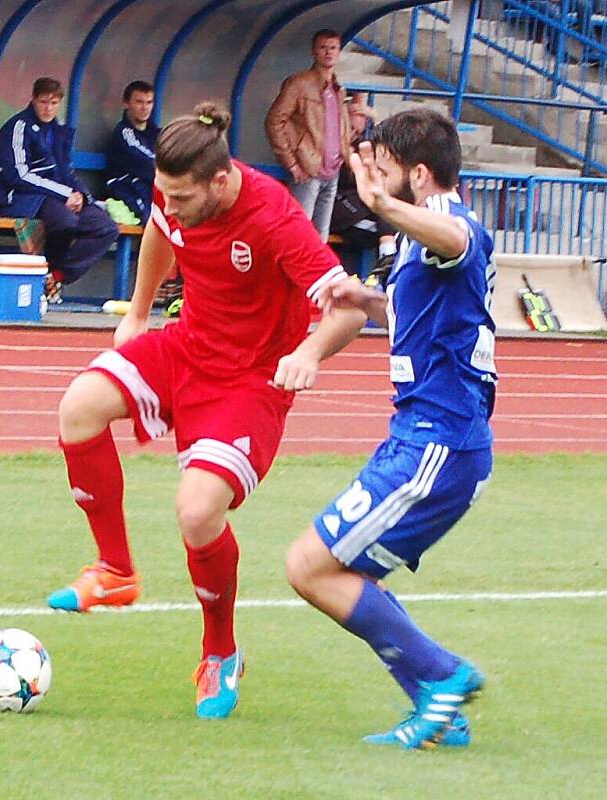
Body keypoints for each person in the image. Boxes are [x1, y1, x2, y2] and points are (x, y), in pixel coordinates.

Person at [46, 102, 367, 720]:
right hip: (186, 347)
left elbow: (348, 306)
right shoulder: (177, 196)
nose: (169, 206)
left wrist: (309, 351)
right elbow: (163, 236)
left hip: (249, 382)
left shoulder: (275, 217)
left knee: (196, 513)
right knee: (78, 408)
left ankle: (220, 651)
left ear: (220, 182)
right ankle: (115, 570)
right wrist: (138, 313)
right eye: (161, 193)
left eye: (181, 196)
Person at [285, 108, 496, 750]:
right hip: (424, 440)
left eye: (384, 170)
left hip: (437, 444)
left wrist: (381, 202)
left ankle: (443, 675)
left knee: (311, 567)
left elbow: (455, 243)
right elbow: (430, 298)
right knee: (348, 572)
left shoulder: (452, 224)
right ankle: (440, 713)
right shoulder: (418, 242)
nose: (372, 181)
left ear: (420, 174)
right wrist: (368, 301)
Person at [0, 77, 119, 304]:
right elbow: (19, 176)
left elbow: (67, 172)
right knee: (66, 221)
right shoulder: (19, 126)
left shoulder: (60, 131)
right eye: (43, 102)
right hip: (22, 196)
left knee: (106, 227)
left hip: (58, 196)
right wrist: (64, 194)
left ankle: (56, 275)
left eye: (54, 103)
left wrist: (83, 197)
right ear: (33, 100)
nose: (48, 108)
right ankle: (45, 270)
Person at [265, 28, 370, 242]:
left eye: (333, 48)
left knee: (319, 237)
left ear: (339, 52)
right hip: (308, 168)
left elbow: (338, 125)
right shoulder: (299, 83)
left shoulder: (338, 88)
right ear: (314, 51)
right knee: (299, 231)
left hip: (333, 169)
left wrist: (346, 153)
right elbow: (274, 121)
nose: (328, 53)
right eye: (323, 48)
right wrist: (292, 163)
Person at [105, 80, 160, 225]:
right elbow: (146, 162)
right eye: (139, 102)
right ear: (126, 104)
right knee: (154, 220)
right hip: (126, 188)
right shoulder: (124, 132)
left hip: (152, 188)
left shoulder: (158, 134)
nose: (145, 108)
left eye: (149, 102)